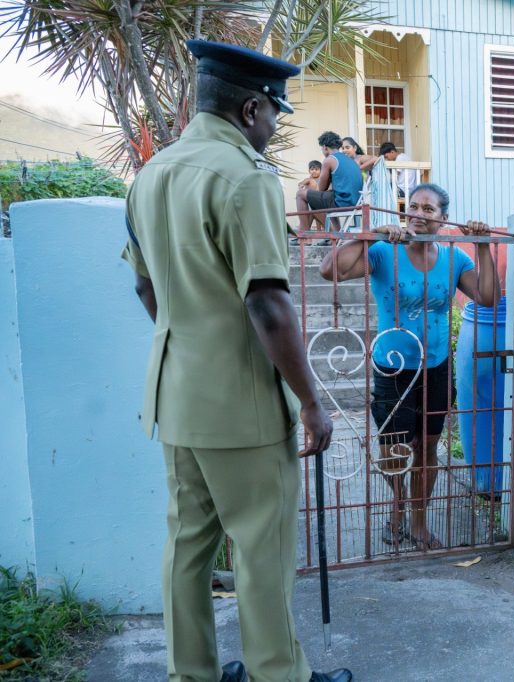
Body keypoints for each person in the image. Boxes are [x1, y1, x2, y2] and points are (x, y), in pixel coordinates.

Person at [121, 39, 351, 682]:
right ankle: (280, 675)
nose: (275, 125)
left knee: (188, 546)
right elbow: (270, 307)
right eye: (274, 112)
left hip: (174, 397)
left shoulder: (151, 175)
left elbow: (146, 288)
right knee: (262, 548)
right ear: (251, 108)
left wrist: (192, 345)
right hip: (243, 406)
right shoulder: (243, 176)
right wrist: (310, 401)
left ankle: (189, 673)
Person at [318, 183, 497, 551]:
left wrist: (481, 247)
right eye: (413, 207)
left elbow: (488, 297)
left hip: (435, 367)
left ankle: (417, 520)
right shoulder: (384, 252)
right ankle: (398, 507)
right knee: (393, 450)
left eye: (428, 209)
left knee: (427, 449)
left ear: (443, 219)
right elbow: (328, 271)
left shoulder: (454, 259)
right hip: (392, 369)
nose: (418, 214)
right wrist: (369, 235)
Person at [296, 131, 363, 233]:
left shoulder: (329, 160)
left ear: (325, 147)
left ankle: (304, 235)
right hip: (355, 202)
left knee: (301, 194)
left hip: (342, 203)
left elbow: (320, 189)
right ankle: (335, 232)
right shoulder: (349, 159)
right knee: (324, 197)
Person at [298, 160, 324, 228]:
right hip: (310, 204)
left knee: (318, 216)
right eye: (312, 169)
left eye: (316, 169)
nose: (314, 171)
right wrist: (301, 185)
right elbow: (302, 183)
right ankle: (305, 229)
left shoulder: (322, 179)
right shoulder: (308, 180)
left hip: (320, 203)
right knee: (310, 216)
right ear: (309, 171)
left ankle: (319, 231)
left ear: (321, 170)